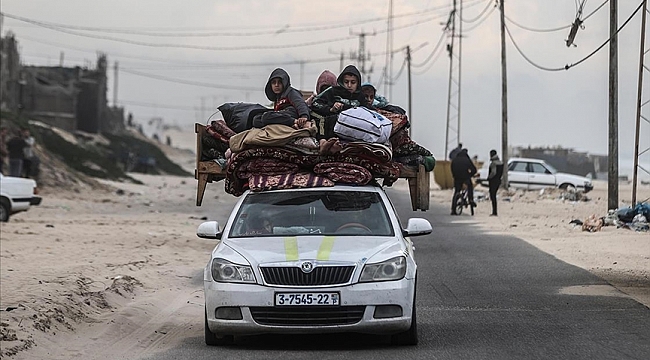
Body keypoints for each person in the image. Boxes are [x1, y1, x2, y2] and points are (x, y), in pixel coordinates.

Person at [450, 148, 477, 215]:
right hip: (465, 177)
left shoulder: (455, 160)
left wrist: (454, 175)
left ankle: (453, 209)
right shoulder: (467, 160)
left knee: (457, 191)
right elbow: (474, 170)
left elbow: (452, 168)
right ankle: (470, 199)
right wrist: (470, 175)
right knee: (470, 186)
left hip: (457, 178)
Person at [487, 149, 504, 216]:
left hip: (493, 181)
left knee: (492, 196)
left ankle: (494, 211)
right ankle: (494, 211)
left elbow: (493, 172)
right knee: (494, 195)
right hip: (498, 180)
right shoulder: (501, 163)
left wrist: (489, 177)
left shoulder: (493, 163)